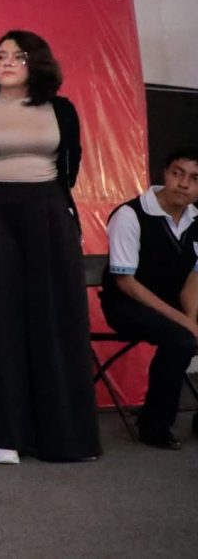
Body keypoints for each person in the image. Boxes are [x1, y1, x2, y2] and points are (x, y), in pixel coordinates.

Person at [0, 29, 100, 464]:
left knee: (55, 318)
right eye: (0, 56)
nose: (7, 62)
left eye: (17, 56)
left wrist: (49, 208)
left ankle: (62, 436)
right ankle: (3, 436)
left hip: (49, 214)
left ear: (37, 63)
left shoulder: (62, 109)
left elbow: (69, 169)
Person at [100, 147, 198, 449]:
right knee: (180, 339)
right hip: (127, 305)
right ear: (165, 174)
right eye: (177, 174)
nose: (183, 184)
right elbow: (126, 282)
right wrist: (185, 324)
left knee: (185, 332)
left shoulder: (196, 220)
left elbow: (193, 278)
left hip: (174, 304)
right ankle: (154, 425)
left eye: (194, 178)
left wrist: (191, 319)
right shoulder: (130, 215)